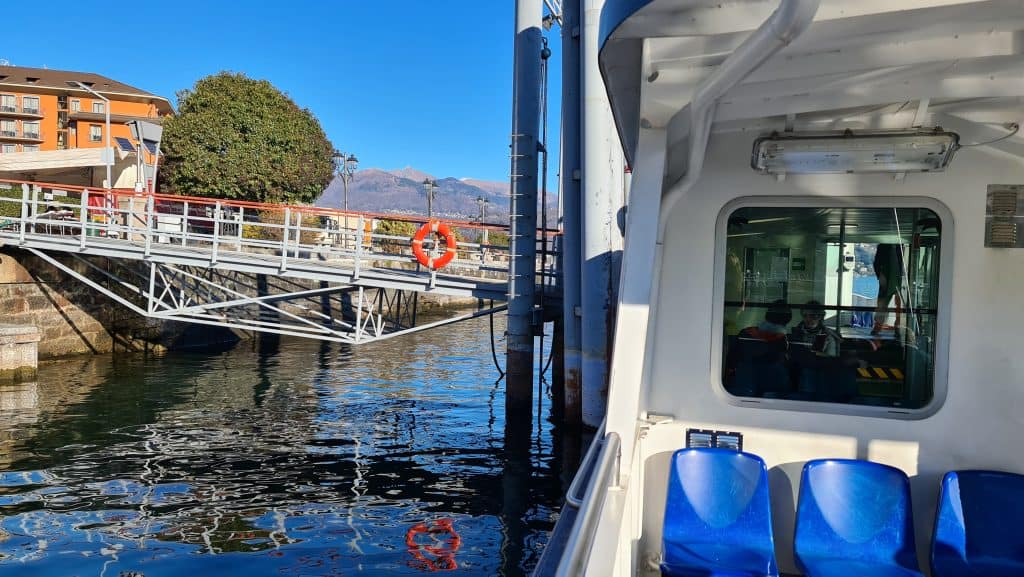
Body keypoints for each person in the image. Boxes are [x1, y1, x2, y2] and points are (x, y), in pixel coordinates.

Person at [724, 300, 791, 397]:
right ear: (787, 320)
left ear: (766, 315)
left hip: (744, 385)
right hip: (772, 388)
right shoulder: (784, 340)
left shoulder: (746, 333)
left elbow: (732, 358)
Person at [872, 243, 904, 334]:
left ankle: (897, 326)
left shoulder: (900, 245)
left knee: (897, 304)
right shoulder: (885, 245)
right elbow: (876, 262)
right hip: (888, 279)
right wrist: (880, 275)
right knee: (883, 304)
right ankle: (878, 327)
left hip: (896, 279)